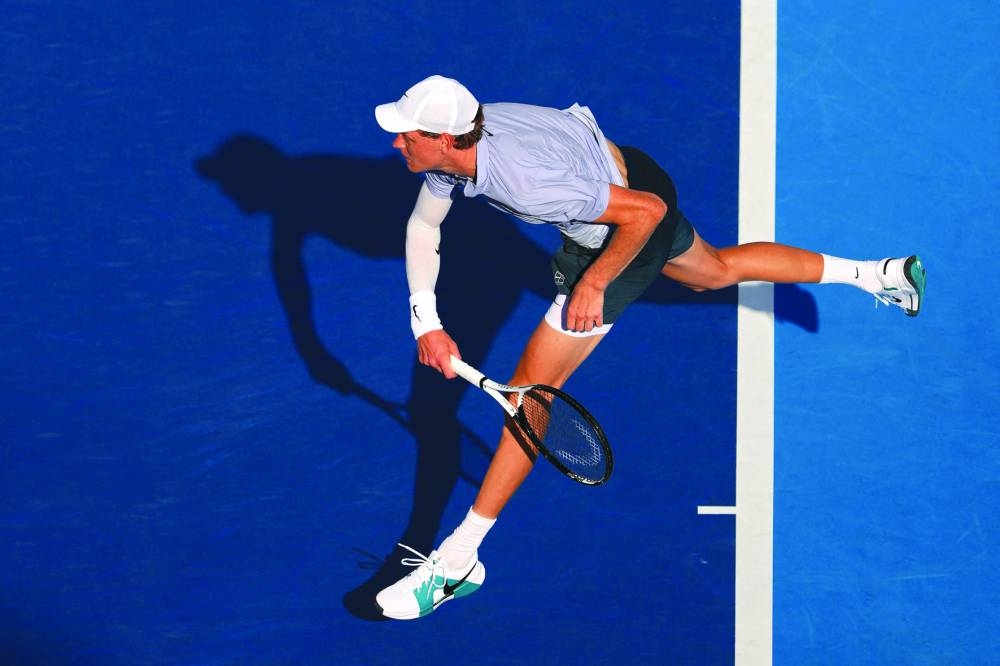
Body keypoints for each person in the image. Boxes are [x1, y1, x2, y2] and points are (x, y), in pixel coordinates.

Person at [370, 74, 926, 620]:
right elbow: (424, 227)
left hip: (625, 224)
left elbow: (645, 214)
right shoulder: (463, 136)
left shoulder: (522, 180)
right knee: (712, 273)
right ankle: (878, 273)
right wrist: (427, 323)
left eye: (407, 135)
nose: (397, 142)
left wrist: (593, 282)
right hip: (631, 171)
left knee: (532, 396)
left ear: (445, 139)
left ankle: (460, 559)